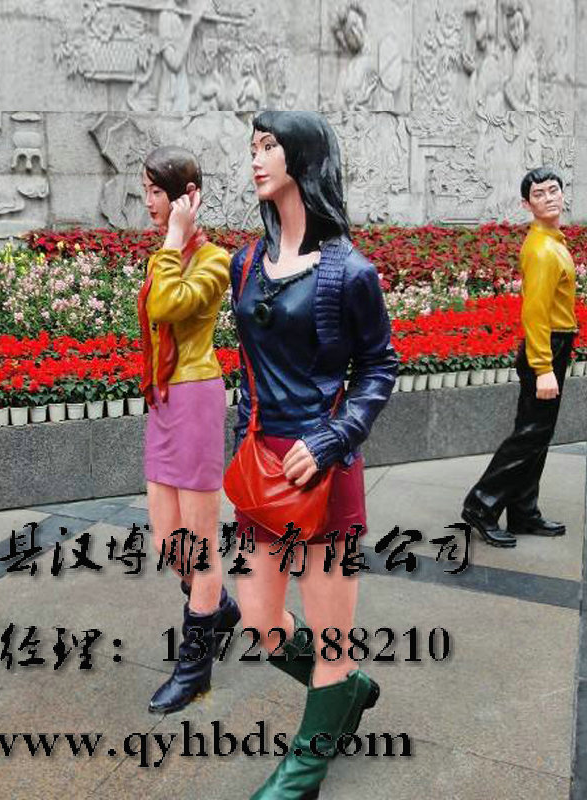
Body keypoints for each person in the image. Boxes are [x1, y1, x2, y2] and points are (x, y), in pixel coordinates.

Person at [230, 110, 397, 798]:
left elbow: (380, 366)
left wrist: (333, 437)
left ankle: (302, 773)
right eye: (253, 146)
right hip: (259, 468)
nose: (257, 158)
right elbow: (250, 363)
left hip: (324, 472)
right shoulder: (246, 263)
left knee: (330, 639)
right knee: (260, 623)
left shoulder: (350, 272)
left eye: (269, 146)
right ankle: (345, 690)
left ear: (302, 158)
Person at [138, 145, 240, 714]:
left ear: (188, 196)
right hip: (162, 399)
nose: (149, 202)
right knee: (167, 541)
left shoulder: (214, 260)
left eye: (158, 192)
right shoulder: (171, 253)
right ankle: (217, 605)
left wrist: (175, 238)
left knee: (199, 546)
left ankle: (195, 669)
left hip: (196, 397)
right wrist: (172, 243)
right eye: (147, 191)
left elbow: (167, 307)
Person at [462, 168, 577, 547]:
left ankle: (524, 511)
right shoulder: (542, 249)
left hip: (554, 344)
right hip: (546, 347)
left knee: (536, 434)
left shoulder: (553, 241)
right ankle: (481, 504)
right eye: (539, 194)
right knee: (529, 435)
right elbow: (535, 313)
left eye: (553, 190)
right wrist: (544, 367)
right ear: (527, 205)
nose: (549, 197)